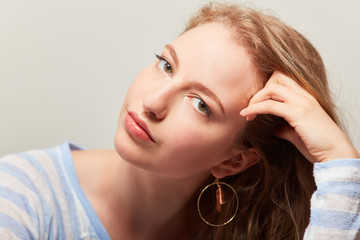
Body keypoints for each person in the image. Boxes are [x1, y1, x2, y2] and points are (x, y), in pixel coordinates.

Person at [0, 2, 359, 240]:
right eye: (166, 64)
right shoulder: (20, 193)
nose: (153, 102)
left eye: (201, 104)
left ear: (233, 159)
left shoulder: (237, 231)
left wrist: (342, 169)